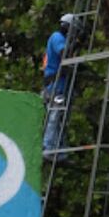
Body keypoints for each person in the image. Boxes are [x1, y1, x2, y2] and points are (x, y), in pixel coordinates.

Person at [42, 13, 74, 161]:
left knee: (60, 118)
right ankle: (48, 147)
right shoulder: (57, 38)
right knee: (54, 116)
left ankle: (60, 150)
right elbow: (65, 53)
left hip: (57, 86)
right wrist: (76, 44)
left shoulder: (59, 38)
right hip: (55, 86)